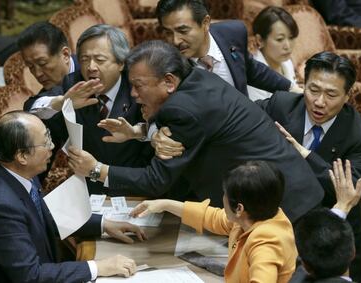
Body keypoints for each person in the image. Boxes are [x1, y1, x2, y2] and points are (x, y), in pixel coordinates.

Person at [68, 40, 324, 223]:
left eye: (138, 86)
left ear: (169, 81)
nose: (133, 95)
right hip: (287, 192)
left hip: (284, 207)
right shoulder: (197, 80)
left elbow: (157, 180)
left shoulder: (182, 110)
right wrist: (142, 131)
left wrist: (97, 170)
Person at [0, 111, 146, 282]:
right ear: (22, 156)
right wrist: (98, 267)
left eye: (48, 136)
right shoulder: (0, 207)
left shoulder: (16, 173)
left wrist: (103, 224)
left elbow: (43, 214)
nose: (52, 147)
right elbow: (31, 276)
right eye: (45, 142)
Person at [256, 51, 361, 282]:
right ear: (303, 84)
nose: (319, 102)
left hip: (332, 238)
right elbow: (236, 118)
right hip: (280, 225)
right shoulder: (280, 105)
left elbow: (347, 188)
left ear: (348, 95)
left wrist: (304, 154)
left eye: (331, 94)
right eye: (313, 90)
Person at [130, 160, 297, 282]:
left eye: (225, 194)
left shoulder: (267, 243)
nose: (222, 198)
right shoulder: (254, 218)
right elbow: (212, 217)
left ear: (239, 208)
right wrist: (165, 204)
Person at [42, 24, 153, 194]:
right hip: (89, 193)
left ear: (121, 63)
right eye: (85, 59)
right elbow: (32, 106)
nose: (91, 67)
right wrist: (62, 101)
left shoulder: (138, 87)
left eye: (100, 60)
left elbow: (161, 127)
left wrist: (139, 131)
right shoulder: (74, 84)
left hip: (136, 188)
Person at [155, 0, 297, 97]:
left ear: (205, 23)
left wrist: (292, 88)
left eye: (183, 30)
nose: (175, 40)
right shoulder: (168, 65)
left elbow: (252, 70)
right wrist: (152, 132)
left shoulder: (233, 33)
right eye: (168, 32)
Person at [290, 159, 361, 283]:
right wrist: (343, 206)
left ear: (304, 265)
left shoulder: (296, 279)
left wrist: (341, 206)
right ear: (353, 252)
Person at [18, 22, 80, 118]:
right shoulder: (48, 97)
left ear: (65, 55)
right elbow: (31, 107)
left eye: (42, 63)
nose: (37, 74)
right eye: (31, 67)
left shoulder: (90, 70)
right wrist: (60, 103)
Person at [248, 6, 299, 101]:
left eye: (291, 38)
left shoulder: (286, 62)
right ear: (260, 40)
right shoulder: (253, 72)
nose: (287, 46)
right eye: (280, 39)